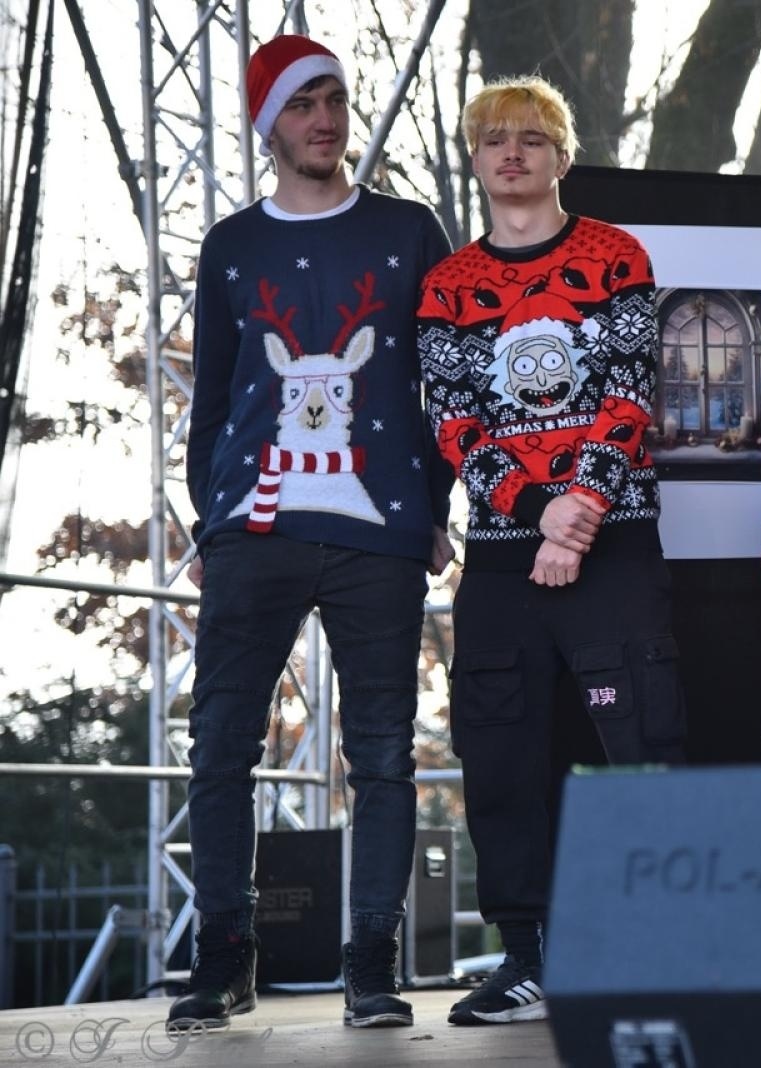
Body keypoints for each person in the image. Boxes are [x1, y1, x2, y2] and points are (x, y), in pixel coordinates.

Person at [172, 34, 454, 1032]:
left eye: (333, 99)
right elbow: (212, 397)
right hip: (252, 530)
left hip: (383, 528)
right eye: (301, 104)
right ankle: (224, 956)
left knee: (382, 755)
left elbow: (447, 382)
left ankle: (371, 963)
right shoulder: (231, 247)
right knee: (219, 746)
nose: (324, 120)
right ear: (269, 125)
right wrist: (209, 519)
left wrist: (437, 506)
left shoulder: (409, 230)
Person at [415, 76, 687, 1026]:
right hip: (502, 558)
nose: (512, 152)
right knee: (500, 759)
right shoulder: (449, 285)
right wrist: (542, 514)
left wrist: (581, 510)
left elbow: (629, 395)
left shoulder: (615, 255)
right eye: (495, 139)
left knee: (643, 744)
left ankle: (664, 946)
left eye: (532, 138)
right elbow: (454, 422)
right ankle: (527, 958)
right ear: (476, 159)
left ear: (562, 156)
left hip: (616, 543)